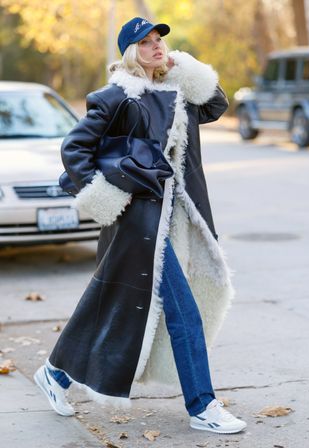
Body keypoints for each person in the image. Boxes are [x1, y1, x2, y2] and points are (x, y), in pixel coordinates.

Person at [34, 17, 247, 435]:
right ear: (131, 51)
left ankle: (55, 374)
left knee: (111, 304)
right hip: (140, 224)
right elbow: (74, 148)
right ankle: (203, 406)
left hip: (175, 219)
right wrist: (105, 197)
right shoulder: (118, 96)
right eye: (146, 43)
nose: (156, 48)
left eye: (159, 42)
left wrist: (184, 66)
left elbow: (216, 105)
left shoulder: (176, 92)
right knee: (183, 312)